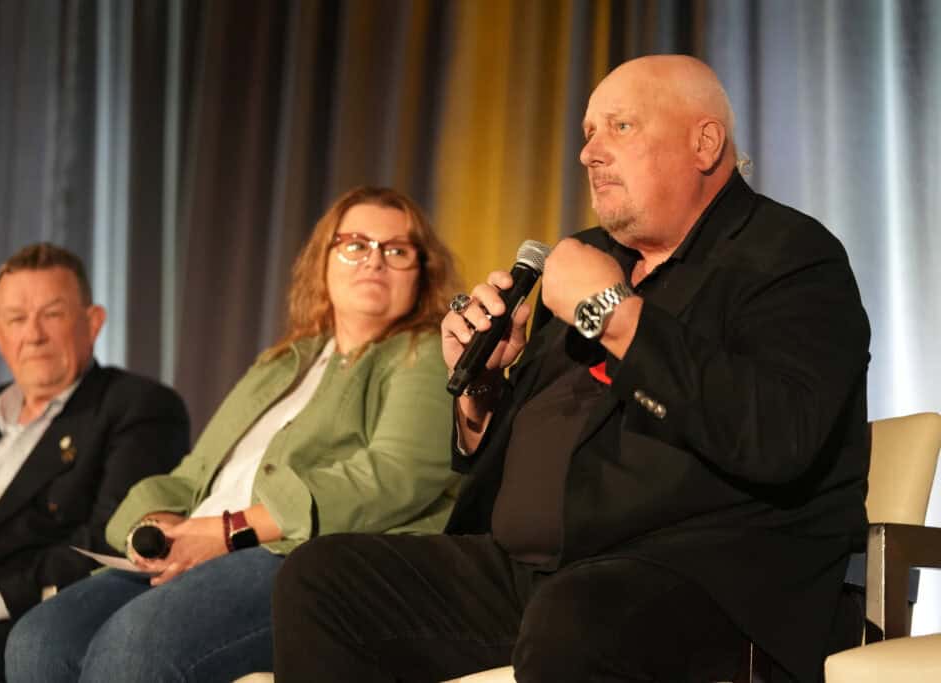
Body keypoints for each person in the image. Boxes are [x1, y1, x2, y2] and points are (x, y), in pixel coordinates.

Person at [271, 55, 871, 683]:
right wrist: (482, 390)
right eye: (587, 132)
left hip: (708, 579)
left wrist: (612, 312)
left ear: (704, 142)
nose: (589, 153)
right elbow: (543, 443)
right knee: (320, 579)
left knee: (577, 616)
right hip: (537, 575)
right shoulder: (586, 257)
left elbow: (779, 435)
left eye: (621, 127)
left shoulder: (791, 258)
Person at [6, 186, 462, 682]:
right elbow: (193, 475)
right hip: (195, 544)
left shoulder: (427, 352)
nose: (373, 261)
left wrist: (228, 532)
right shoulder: (279, 363)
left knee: (134, 648)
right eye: (355, 244)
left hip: (293, 555)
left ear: (422, 272)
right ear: (322, 261)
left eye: (395, 250)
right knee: (39, 640)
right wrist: (155, 525)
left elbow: (395, 476)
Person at [0, 243, 190, 682]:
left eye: (53, 314)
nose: (34, 334)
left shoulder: (137, 408)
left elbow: (111, 541)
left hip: (20, 626)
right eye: (17, 319)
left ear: (93, 322)